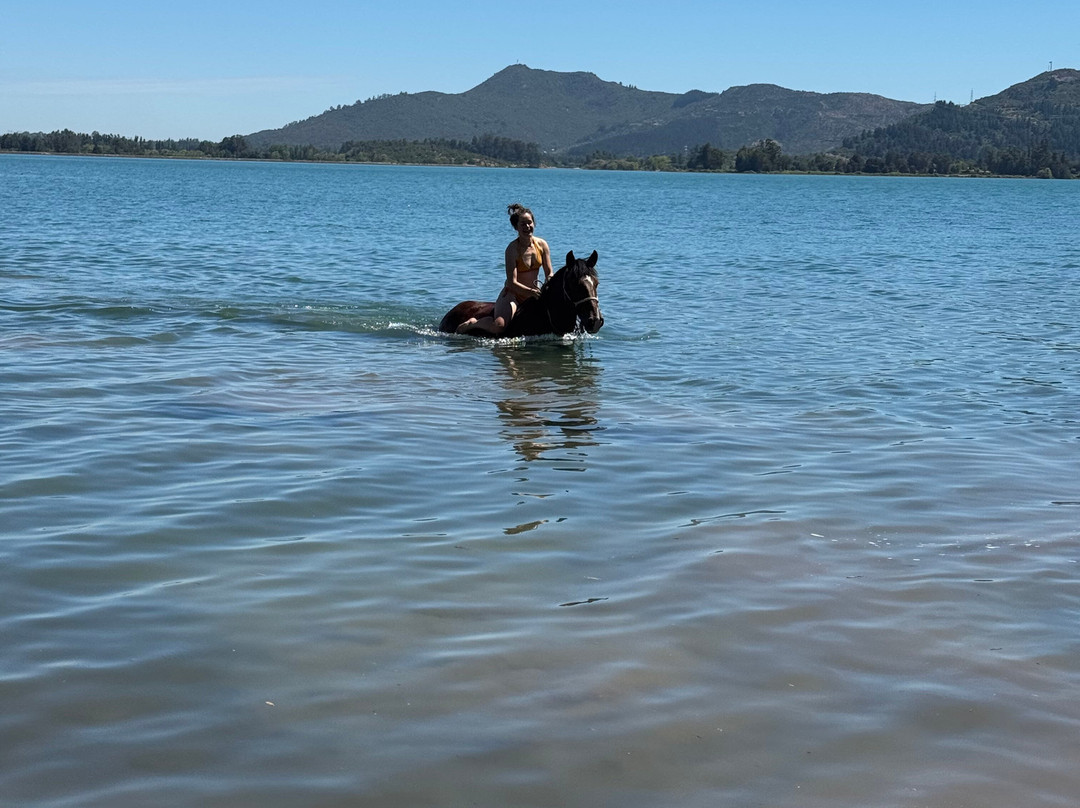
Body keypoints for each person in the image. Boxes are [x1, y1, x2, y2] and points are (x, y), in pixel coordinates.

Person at [457, 203, 554, 335]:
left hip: (534, 294)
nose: (527, 227)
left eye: (529, 223)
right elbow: (512, 282)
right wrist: (531, 292)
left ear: (534, 223)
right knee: (499, 326)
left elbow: (549, 272)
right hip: (513, 294)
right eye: (523, 224)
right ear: (516, 227)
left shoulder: (542, 245)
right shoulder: (512, 249)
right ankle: (472, 324)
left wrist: (550, 282)